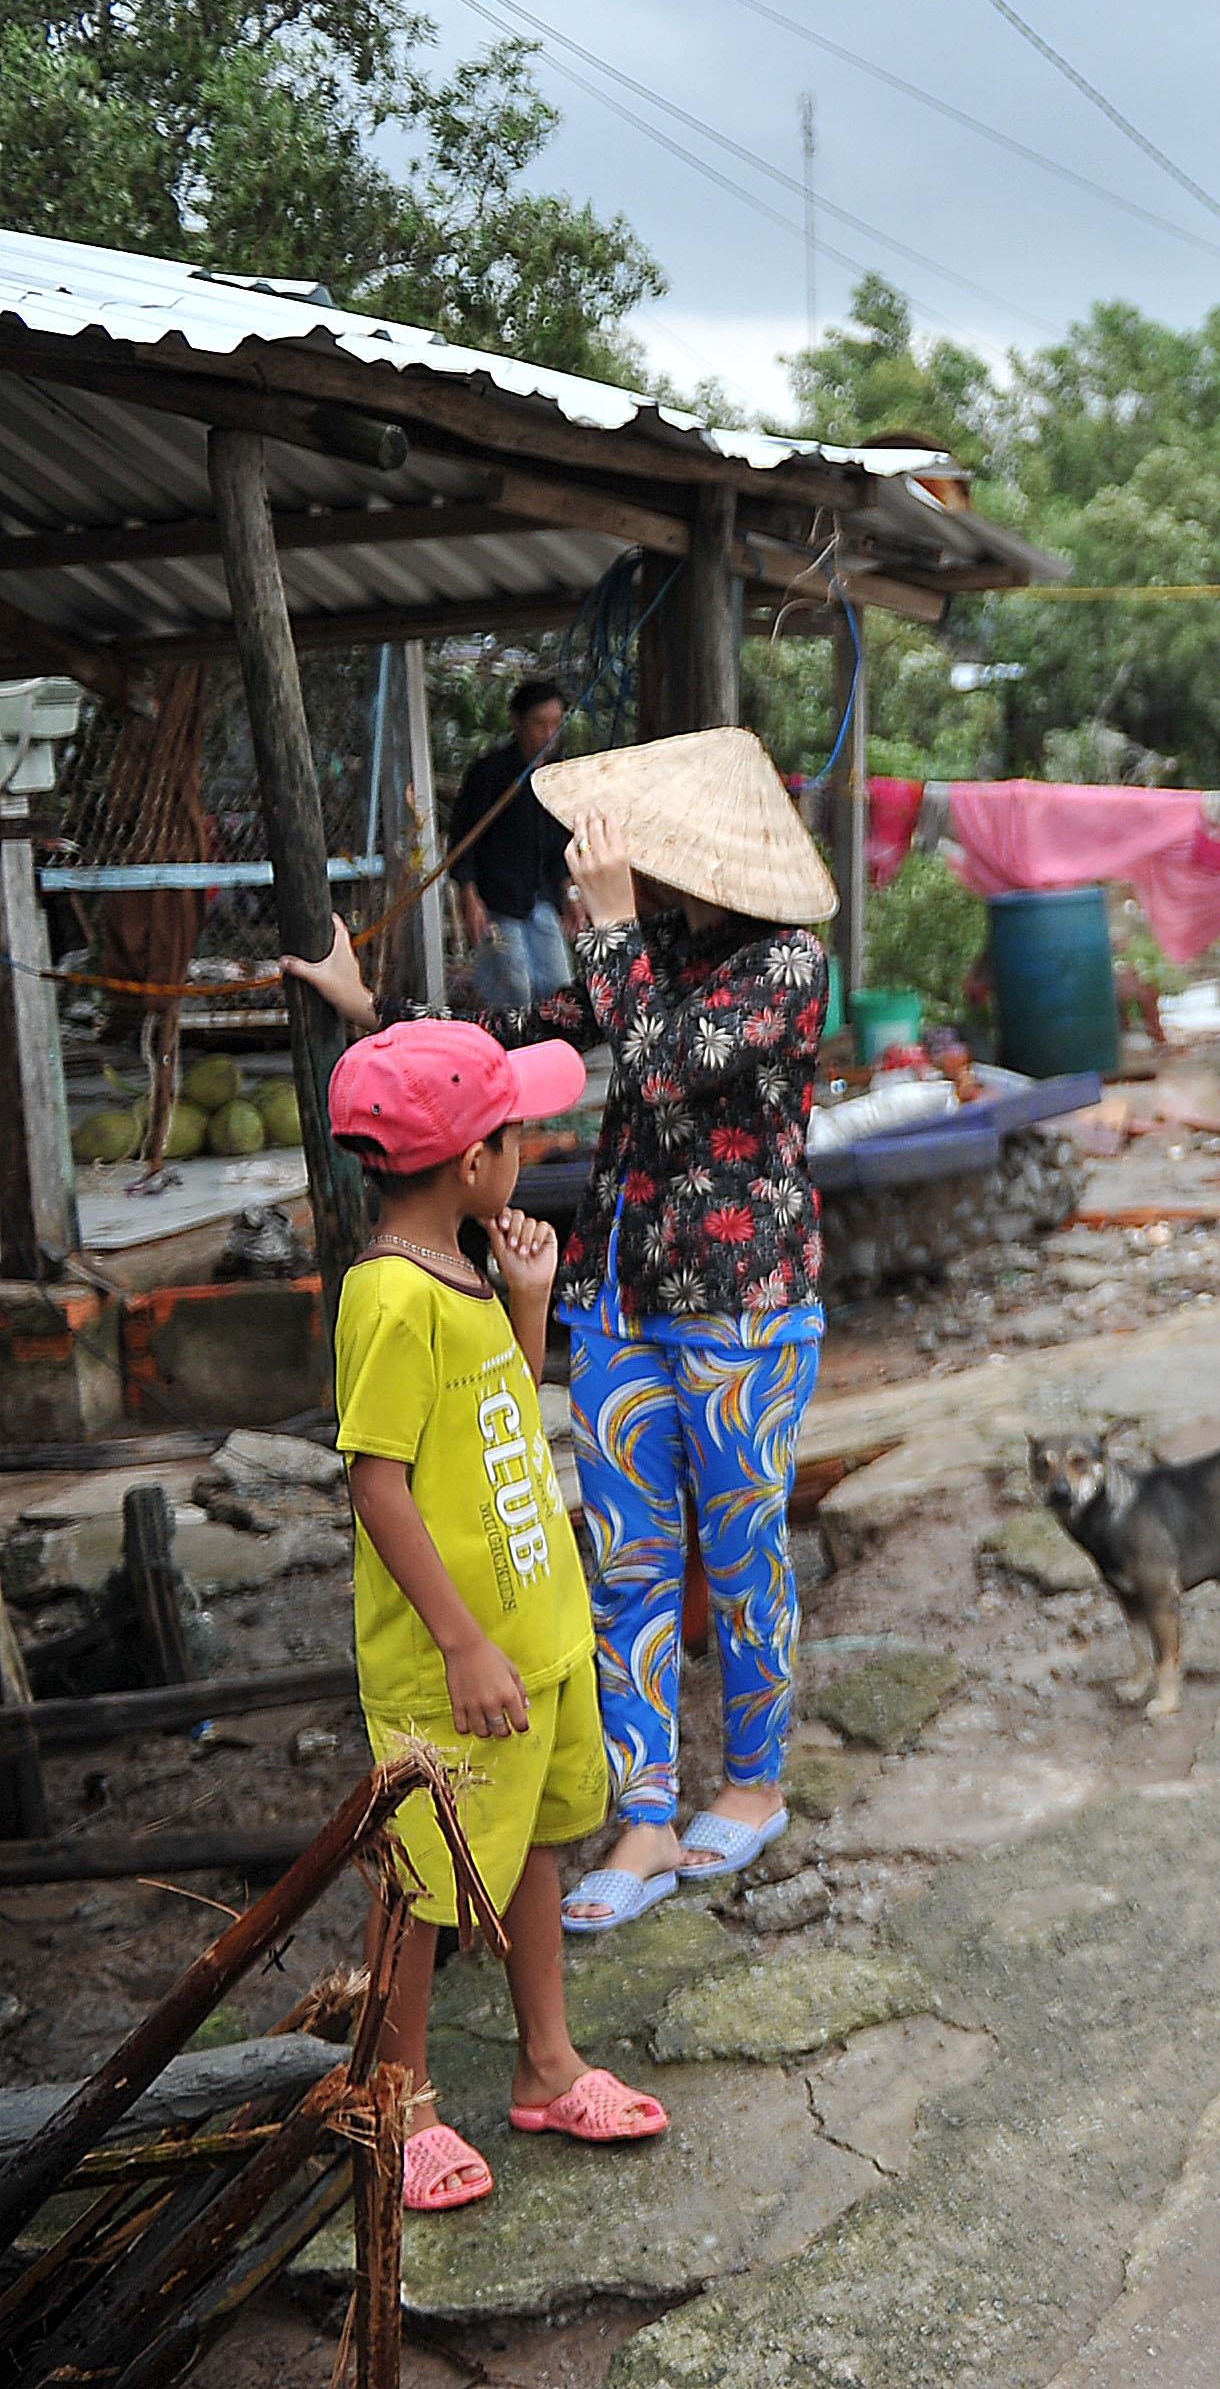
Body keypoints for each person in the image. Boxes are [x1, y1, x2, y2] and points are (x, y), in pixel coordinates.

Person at [291, 726, 839, 1936]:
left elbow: (654, 1069)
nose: (617, 857)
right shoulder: (646, 948)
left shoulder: (787, 966)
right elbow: (511, 1050)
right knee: (628, 1557)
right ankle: (646, 1814)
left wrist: (601, 928)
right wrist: (373, 1008)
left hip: (743, 1302)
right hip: (617, 1291)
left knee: (742, 1554)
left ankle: (752, 1781)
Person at [325, 1018, 671, 2210]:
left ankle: (545, 2063)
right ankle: (402, 2101)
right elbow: (375, 1481)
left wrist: (529, 1304)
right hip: (453, 1663)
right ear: (473, 1163)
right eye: (517, 1129)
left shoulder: (468, 1271)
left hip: (535, 1636)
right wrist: (463, 1641)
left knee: (531, 1845)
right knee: (424, 1883)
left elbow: (500, 1422)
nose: (530, 1145)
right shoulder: (388, 1299)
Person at [451, 680, 578, 1017]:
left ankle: (553, 1055)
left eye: (556, 724)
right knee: (511, 986)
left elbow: (560, 844)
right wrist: (470, 897)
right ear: (517, 722)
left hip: (540, 897)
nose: (549, 734)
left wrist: (570, 895)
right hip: (497, 900)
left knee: (557, 984)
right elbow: (464, 840)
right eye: (540, 724)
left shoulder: (557, 774)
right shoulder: (489, 773)